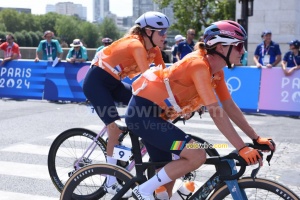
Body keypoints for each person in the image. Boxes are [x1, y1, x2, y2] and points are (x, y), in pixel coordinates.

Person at [125, 20, 275, 200]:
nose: (242, 51)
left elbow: (229, 106)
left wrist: (255, 138)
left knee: (166, 186)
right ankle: (143, 190)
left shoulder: (216, 72)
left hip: (159, 119)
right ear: (220, 47)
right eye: (238, 46)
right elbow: (215, 111)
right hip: (143, 115)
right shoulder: (198, 65)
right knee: (196, 154)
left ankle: (152, 191)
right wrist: (241, 147)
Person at [83, 11, 170, 197]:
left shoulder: (154, 51)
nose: (165, 36)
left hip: (114, 82)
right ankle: (110, 181)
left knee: (148, 109)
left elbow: (164, 77)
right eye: (161, 32)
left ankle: (124, 146)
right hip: (96, 81)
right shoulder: (136, 45)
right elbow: (149, 80)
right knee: (114, 128)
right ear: (148, 31)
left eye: (166, 31)